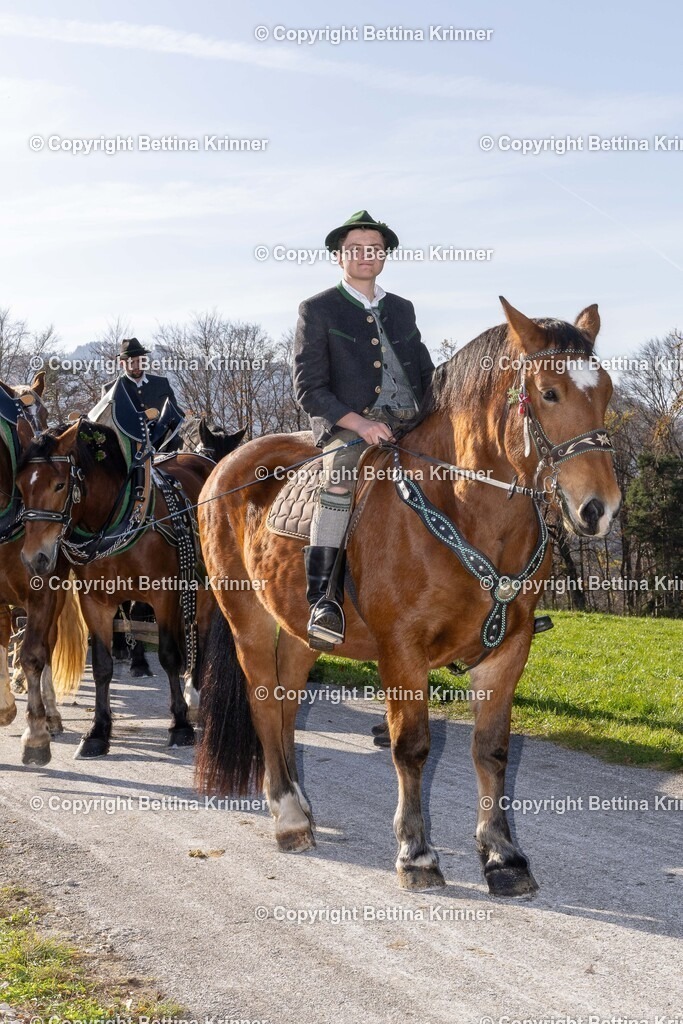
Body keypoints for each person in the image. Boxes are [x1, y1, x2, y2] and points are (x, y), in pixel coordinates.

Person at [293, 211, 435, 649]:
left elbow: (426, 372)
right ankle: (324, 600)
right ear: (340, 257)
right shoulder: (317, 309)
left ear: (384, 257)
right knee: (339, 477)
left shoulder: (402, 309)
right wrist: (360, 423)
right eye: (355, 249)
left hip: (412, 420)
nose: (365, 256)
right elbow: (308, 388)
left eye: (373, 249)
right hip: (349, 427)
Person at [102, 337, 185, 451]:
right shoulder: (110, 390)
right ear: (122, 363)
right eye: (132, 362)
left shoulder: (162, 384)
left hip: (164, 453)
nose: (136, 366)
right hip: (127, 455)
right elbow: (106, 428)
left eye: (140, 361)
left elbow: (177, 416)